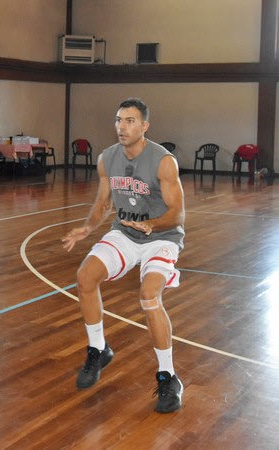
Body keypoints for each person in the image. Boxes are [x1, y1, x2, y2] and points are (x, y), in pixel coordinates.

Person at [61, 98, 185, 414]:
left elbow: (178, 214)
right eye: (119, 120)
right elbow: (103, 203)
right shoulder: (107, 159)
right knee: (85, 276)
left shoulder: (163, 161)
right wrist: (87, 228)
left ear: (145, 126)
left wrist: (152, 224)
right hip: (126, 232)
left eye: (130, 121)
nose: (122, 126)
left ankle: (168, 376)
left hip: (161, 237)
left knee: (149, 295)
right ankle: (98, 349)